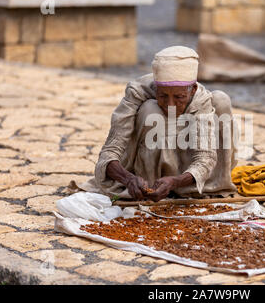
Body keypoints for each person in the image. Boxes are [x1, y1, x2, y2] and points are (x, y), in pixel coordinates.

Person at [78, 46, 238, 202]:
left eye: (179, 97)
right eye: (162, 95)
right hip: (147, 174)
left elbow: (205, 157)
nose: (170, 105)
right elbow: (110, 151)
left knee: (220, 99)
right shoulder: (136, 93)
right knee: (150, 109)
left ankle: (207, 185)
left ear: (193, 89)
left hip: (187, 164)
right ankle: (152, 185)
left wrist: (176, 181)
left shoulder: (201, 99)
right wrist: (128, 179)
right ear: (155, 87)